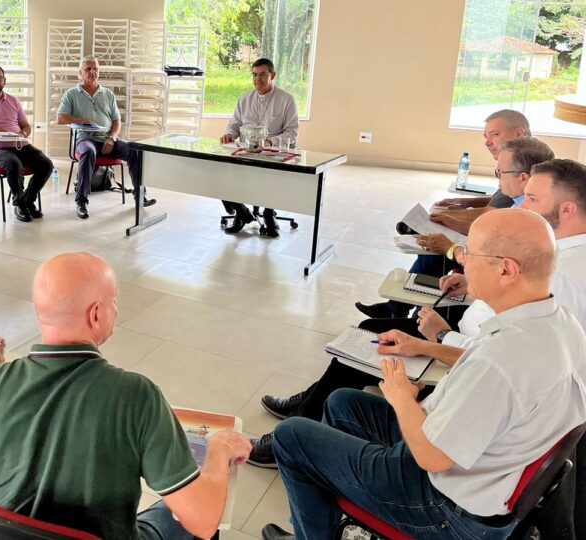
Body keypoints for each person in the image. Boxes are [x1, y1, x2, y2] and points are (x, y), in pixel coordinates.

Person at [262, 208, 586, 540]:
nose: (462, 263)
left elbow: (433, 457)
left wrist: (403, 399)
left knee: (292, 436)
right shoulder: (560, 324)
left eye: (469, 254)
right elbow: (483, 368)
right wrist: (423, 346)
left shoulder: (501, 360)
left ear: (506, 269)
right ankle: (326, 523)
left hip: (443, 506)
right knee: (342, 402)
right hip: (482, 468)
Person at [250, 147, 575, 471]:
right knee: (366, 337)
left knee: (368, 341)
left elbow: (495, 357)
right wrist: (472, 291)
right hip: (466, 334)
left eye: (532, 198)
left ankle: (301, 432)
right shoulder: (557, 256)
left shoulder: (566, 278)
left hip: (458, 360)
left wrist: (436, 340)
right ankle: (311, 407)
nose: (523, 206)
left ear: (568, 208)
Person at [0, 252, 251, 539]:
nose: (116, 310)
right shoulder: (137, 396)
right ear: (96, 314)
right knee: (172, 511)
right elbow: (203, 522)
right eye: (114, 301)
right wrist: (219, 451)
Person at [357, 117, 539, 319]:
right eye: (486, 136)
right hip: (484, 253)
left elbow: (490, 225)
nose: (488, 142)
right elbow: (496, 203)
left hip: (485, 263)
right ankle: (402, 310)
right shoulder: (518, 185)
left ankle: (411, 313)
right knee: (431, 252)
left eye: (495, 134)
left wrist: (451, 234)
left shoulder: (524, 203)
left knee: (435, 252)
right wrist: (462, 206)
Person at [57, 56, 156, 220]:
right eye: (88, 69)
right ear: (80, 72)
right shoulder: (72, 94)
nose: (92, 72)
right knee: (88, 152)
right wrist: (81, 120)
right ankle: (81, 202)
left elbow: (117, 121)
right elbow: (61, 118)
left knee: (134, 150)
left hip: (106, 139)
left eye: (95, 68)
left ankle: (140, 196)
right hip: (85, 139)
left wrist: (111, 138)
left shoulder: (108, 94)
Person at [218, 58, 299, 236]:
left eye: (262, 74)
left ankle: (269, 213)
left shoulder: (286, 100)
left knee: (270, 176)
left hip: (272, 154)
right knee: (219, 170)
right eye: (254, 75)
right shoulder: (244, 99)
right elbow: (234, 124)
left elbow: (292, 133)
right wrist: (229, 134)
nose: (257, 79)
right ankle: (241, 211)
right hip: (245, 152)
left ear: (272, 75)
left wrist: (270, 142)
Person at [0, 64, 53, 223]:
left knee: (46, 164)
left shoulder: (14, 100)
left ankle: (27, 199)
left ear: (4, 80)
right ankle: (20, 204)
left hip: (20, 144)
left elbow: (26, 126)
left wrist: (22, 134)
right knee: (14, 164)